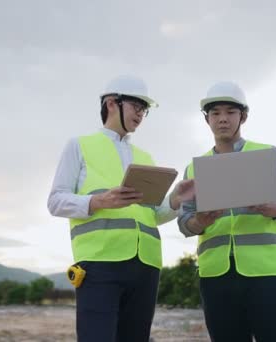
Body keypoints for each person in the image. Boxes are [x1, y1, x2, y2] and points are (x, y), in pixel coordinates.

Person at [48, 75, 194, 342]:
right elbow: (55, 201)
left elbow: (151, 215)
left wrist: (174, 200)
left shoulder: (145, 158)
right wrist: (97, 201)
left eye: (144, 109)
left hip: (146, 266)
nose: (141, 114)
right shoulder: (79, 146)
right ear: (112, 103)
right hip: (99, 264)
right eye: (136, 106)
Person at [178, 81, 276, 342]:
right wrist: (199, 222)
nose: (222, 119)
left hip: (268, 273)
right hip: (216, 276)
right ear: (207, 119)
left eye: (230, 112)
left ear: (243, 116)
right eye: (215, 113)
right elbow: (184, 223)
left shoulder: (270, 155)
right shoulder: (194, 169)